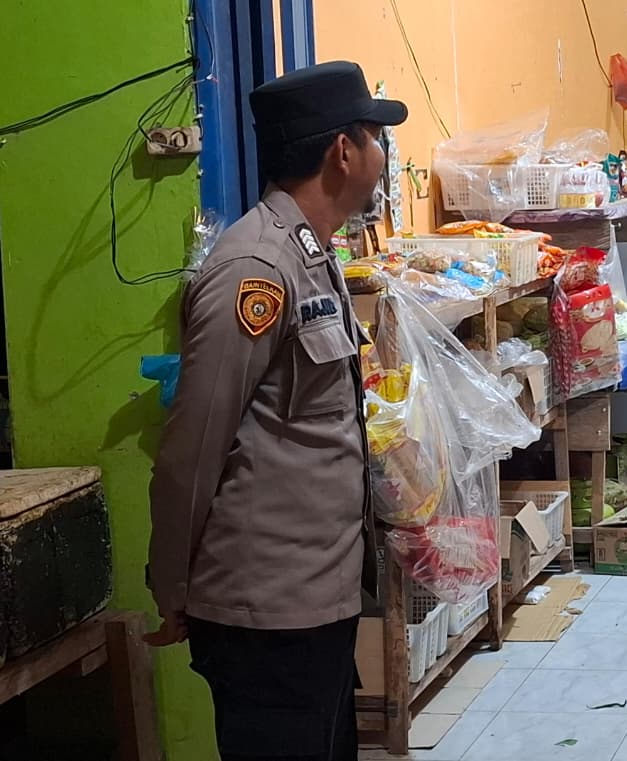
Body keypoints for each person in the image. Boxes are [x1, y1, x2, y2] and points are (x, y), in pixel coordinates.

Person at [146, 61, 406, 761]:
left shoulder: (309, 253)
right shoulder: (254, 269)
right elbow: (193, 446)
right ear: (343, 152)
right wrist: (171, 582)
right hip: (267, 612)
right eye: (376, 136)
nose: (384, 155)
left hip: (315, 600)